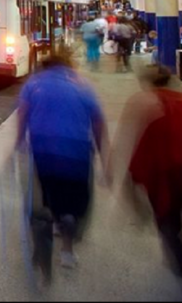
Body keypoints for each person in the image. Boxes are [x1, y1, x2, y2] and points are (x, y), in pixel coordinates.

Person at [16, 52, 111, 275]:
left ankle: (50, 223)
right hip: (76, 152)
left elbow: (23, 114)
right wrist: (104, 156)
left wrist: (19, 142)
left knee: (50, 191)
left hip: (43, 150)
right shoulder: (83, 85)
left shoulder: (33, 84)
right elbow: (98, 123)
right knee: (74, 202)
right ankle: (67, 250)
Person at [125, 65, 182, 276]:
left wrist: (132, 186)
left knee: (168, 222)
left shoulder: (146, 106)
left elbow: (142, 154)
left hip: (167, 178)